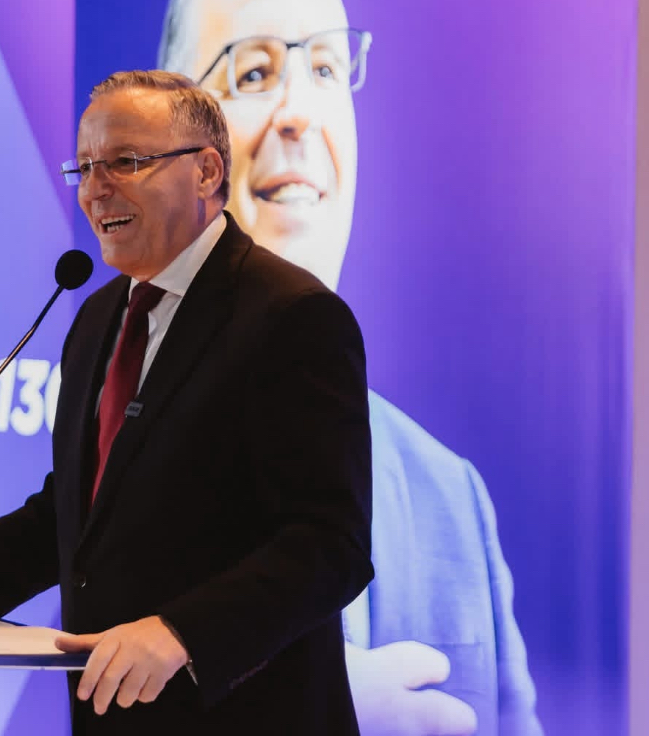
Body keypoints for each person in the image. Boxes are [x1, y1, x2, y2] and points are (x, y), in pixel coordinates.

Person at [0, 70, 373, 735]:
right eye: (85, 167)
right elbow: (74, 517)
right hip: (113, 711)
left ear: (206, 171)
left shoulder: (291, 316)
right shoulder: (99, 315)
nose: (95, 189)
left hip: (244, 715)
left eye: (125, 162)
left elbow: (329, 545)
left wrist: (182, 632)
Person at [156, 1, 544, 734]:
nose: (299, 112)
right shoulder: (125, 458)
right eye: (254, 72)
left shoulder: (450, 496)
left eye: (327, 68)